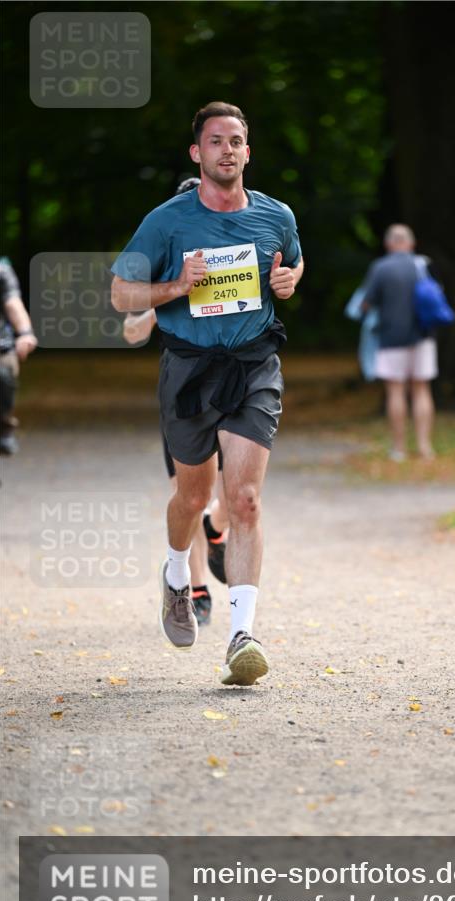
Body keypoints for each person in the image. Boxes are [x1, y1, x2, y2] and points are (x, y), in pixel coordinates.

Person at [111, 101, 303, 685]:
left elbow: (292, 269)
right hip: (190, 370)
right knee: (191, 499)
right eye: (215, 141)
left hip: (253, 365)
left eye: (236, 141)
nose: (227, 150)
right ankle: (176, 576)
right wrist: (177, 285)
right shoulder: (167, 221)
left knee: (243, 499)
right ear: (197, 153)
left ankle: (242, 636)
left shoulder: (276, 215)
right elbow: (122, 295)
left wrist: (288, 282)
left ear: (248, 151)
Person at [121, 176, 229, 627]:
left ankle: (216, 530)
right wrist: (163, 302)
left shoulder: (234, 255)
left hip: (233, 381)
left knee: (227, 496)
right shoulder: (169, 269)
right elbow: (131, 331)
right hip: (183, 390)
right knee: (186, 493)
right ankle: (198, 584)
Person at [362, 225, 437, 461]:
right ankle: (425, 447)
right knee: (421, 389)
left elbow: (366, 303)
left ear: (388, 244)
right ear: (411, 244)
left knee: (396, 391)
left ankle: (399, 448)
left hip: (391, 337)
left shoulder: (380, 268)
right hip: (423, 335)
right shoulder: (422, 265)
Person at [0, 259, 38, 454]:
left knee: (3, 373)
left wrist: (24, 332)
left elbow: (13, 303)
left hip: (1, 345)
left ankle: (4, 426)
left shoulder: (2, 270)